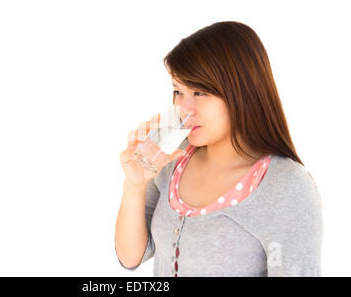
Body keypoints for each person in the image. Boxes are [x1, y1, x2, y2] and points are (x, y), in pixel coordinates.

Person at [115, 21, 323, 277]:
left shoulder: (286, 185)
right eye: (178, 91)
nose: (184, 108)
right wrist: (134, 185)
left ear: (242, 92)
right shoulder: (171, 158)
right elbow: (130, 257)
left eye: (200, 92)